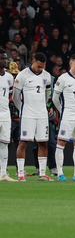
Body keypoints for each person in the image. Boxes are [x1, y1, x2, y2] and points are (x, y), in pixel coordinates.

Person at [13, 52, 53, 182]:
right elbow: (15, 96)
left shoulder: (47, 76)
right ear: (33, 61)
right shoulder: (22, 75)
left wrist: (44, 107)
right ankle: (20, 174)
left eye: (43, 67)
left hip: (41, 114)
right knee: (23, 142)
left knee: (43, 143)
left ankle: (42, 174)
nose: (41, 69)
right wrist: (21, 109)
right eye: (39, 66)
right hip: (27, 114)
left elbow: (47, 94)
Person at [52, 54, 75, 181]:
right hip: (67, 115)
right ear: (71, 64)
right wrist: (62, 110)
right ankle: (60, 173)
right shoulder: (62, 79)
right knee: (61, 142)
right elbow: (55, 98)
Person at [0, 49, 17, 181]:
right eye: (1, 58)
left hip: (5, 114)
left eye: (5, 58)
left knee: (4, 143)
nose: (4, 61)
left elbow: (10, 95)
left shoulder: (9, 77)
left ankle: (3, 173)